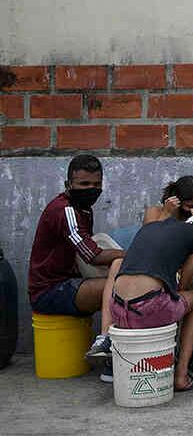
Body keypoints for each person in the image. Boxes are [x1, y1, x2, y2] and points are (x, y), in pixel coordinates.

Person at [28, 155, 125, 381]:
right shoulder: (65, 210)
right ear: (68, 185)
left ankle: (111, 347)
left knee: (122, 280)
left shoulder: (83, 209)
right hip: (50, 291)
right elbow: (91, 255)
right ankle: (112, 359)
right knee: (121, 291)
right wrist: (129, 254)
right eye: (84, 184)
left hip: (70, 282)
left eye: (96, 185)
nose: (91, 189)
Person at [106, 206, 193, 392]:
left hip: (117, 308)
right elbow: (185, 284)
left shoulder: (150, 228)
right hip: (149, 308)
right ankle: (181, 373)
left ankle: (109, 352)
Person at [140, 177, 193, 386]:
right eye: (188, 205)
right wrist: (168, 215)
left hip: (191, 272)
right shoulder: (156, 213)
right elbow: (149, 244)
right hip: (160, 274)